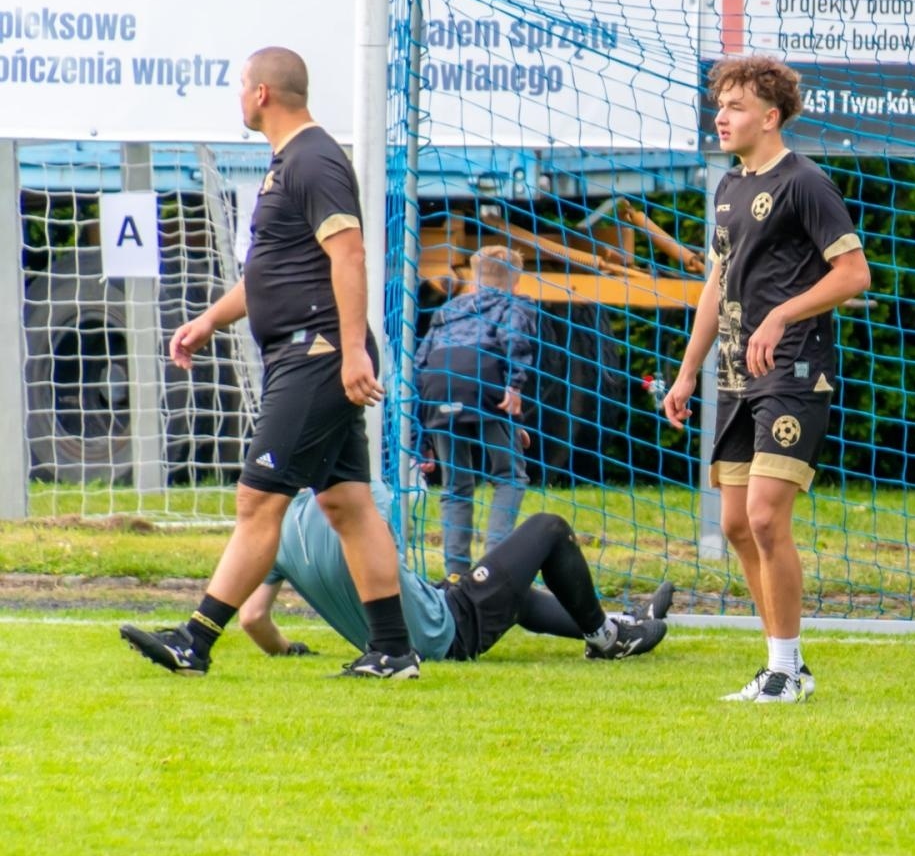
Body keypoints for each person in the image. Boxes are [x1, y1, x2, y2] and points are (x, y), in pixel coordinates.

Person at [121, 46, 421, 680]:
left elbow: (351, 257)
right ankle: (393, 650)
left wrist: (351, 352)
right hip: (306, 352)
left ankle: (194, 642)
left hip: (315, 355)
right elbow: (272, 272)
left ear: (261, 94)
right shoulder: (289, 163)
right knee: (346, 505)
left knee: (258, 503)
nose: (238, 97)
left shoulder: (314, 159)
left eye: (240, 87)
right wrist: (208, 320)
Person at [661, 55, 870, 703]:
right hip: (733, 374)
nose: (721, 116)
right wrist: (688, 368)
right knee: (734, 525)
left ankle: (784, 672)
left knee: (765, 515)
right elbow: (716, 281)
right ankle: (786, 664)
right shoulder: (727, 187)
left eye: (737, 106)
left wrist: (781, 313)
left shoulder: (804, 182)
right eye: (720, 104)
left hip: (794, 367)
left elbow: (854, 274)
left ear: (771, 117)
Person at [237, 481, 672, 664]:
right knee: (548, 529)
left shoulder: (271, 535)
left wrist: (290, 649)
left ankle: (622, 622)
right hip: (445, 631)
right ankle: (609, 638)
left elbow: (253, 619)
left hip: (409, 635)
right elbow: (382, 560)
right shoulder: (359, 496)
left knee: (510, 591)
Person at [414, 245, 535, 577]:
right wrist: (515, 387)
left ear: (474, 281)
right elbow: (514, 341)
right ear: (515, 282)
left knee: (455, 485)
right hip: (484, 387)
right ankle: (493, 568)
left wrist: (420, 435)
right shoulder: (513, 305)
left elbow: (419, 364)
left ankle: (455, 573)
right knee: (509, 476)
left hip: (439, 386)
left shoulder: (447, 311)